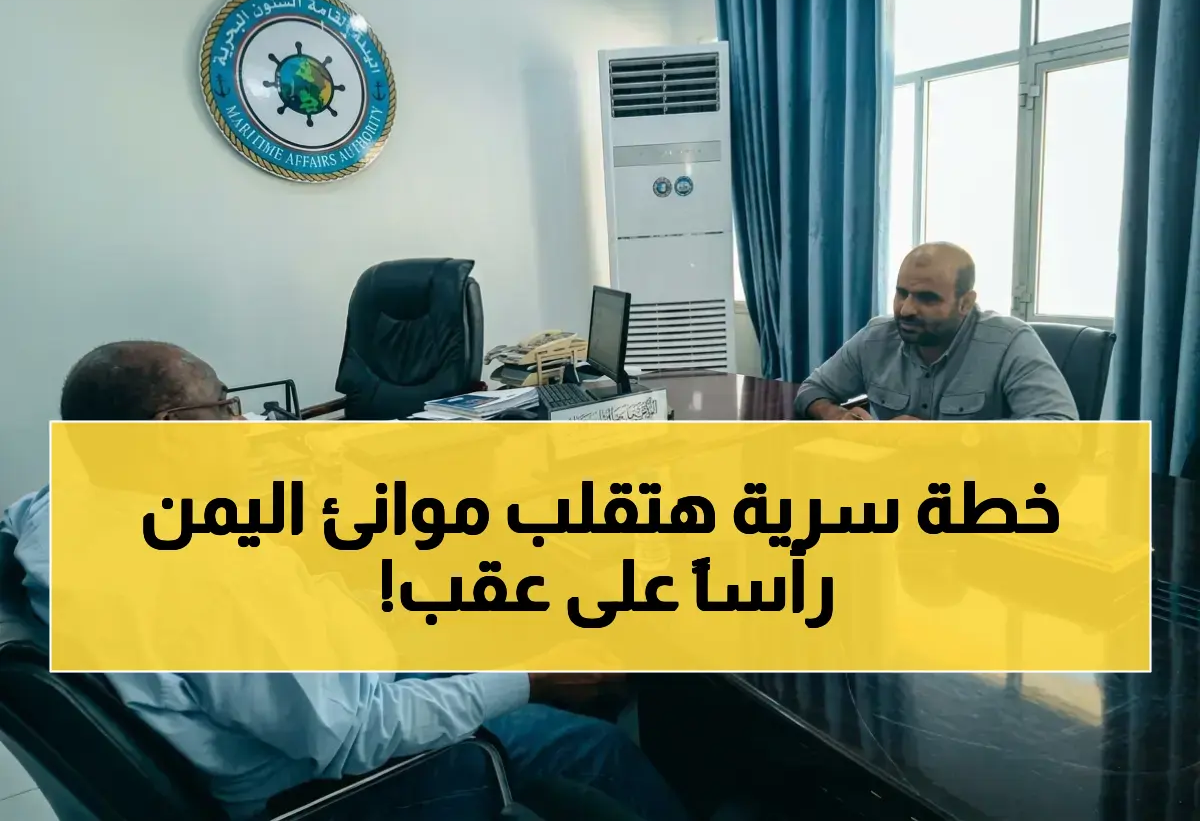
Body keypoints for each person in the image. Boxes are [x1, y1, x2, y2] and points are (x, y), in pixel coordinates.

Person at [1, 341, 692, 821]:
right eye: (225, 408)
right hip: (353, 785)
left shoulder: (62, 511)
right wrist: (533, 681)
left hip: (330, 683)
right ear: (169, 430)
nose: (243, 423)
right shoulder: (199, 572)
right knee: (594, 746)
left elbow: (14, 519)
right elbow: (359, 736)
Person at [794, 243, 1079, 422]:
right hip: (893, 483)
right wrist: (837, 416)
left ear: (965, 303)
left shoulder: (1010, 341)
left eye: (927, 298)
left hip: (979, 488)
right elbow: (812, 390)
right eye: (901, 293)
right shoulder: (876, 337)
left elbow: (1059, 428)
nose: (906, 309)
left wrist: (944, 440)